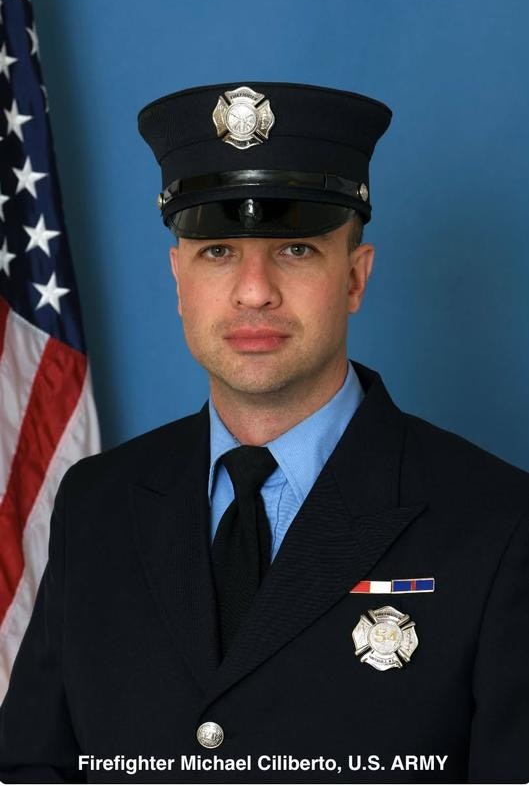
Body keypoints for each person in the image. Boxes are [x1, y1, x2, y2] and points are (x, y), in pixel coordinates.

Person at [0, 82, 527, 785]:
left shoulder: (498, 524)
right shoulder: (96, 503)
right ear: (178, 279)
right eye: (217, 250)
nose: (254, 290)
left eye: (296, 249)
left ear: (354, 278)